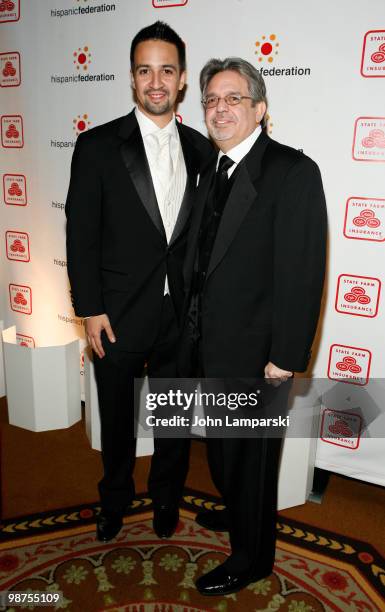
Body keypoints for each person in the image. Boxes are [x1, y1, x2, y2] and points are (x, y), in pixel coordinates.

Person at [179, 57, 327, 595]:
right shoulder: (212, 168)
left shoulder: (291, 172)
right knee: (224, 451)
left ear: (260, 109)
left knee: (254, 459)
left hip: (258, 355)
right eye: (212, 100)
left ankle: (252, 556)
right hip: (208, 345)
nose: (220, 109)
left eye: (233, 99)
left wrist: (285, 356)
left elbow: (302, 271)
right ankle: (238, 512)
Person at [65, 21, 213, 543]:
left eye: (166, 70)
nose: (156, 81)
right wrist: (91, 308)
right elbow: (80, 234)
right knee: (118, 418)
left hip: (179, 316)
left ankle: (166, 498)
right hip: (118, 314)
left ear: (182, 80)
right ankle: (114, 498)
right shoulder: (98, 146)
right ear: (132, 79)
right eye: (145, 70)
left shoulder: (201, 149)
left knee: (173, 418)